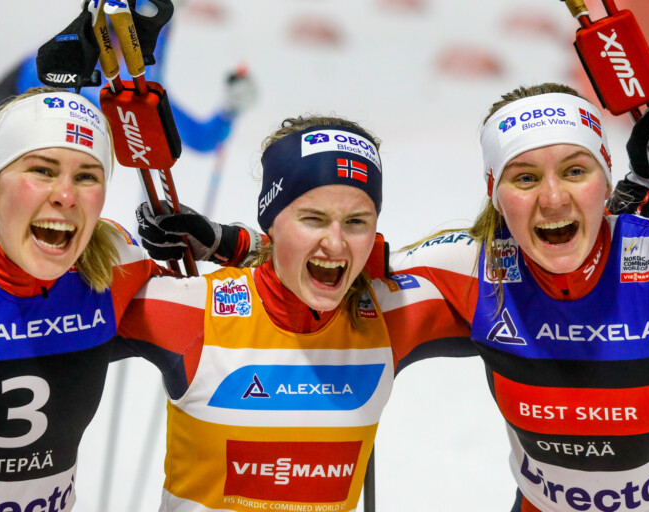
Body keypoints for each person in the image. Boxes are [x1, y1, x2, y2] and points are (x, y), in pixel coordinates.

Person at [138, 84, 649, 511]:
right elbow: (348, 262)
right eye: (524, 178)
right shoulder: (473, 270)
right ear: (494, 193)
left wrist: (640, 196)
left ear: (603, 178)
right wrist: (225, 242)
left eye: (576, 171)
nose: (551, 197)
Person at [117, 115, 478, 511]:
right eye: (312, 219)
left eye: (357, 221)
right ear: (271, 221)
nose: (336, 243)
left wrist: (237, 244)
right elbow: (71, 277)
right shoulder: (193, 310)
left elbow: (508, 269)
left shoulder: (390, 315)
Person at [0, 87, 167, 511]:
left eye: (86, 176)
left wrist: (226, 242)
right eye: (42, 170)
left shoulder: (115, 265)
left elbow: (252, 293)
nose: (66, 195)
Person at [0, 20, 255, 231]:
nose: (141, 52)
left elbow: (186, 134)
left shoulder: (128, 70)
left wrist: (228, 112)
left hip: (6, 192)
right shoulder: (63, 65)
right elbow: (153, 126)